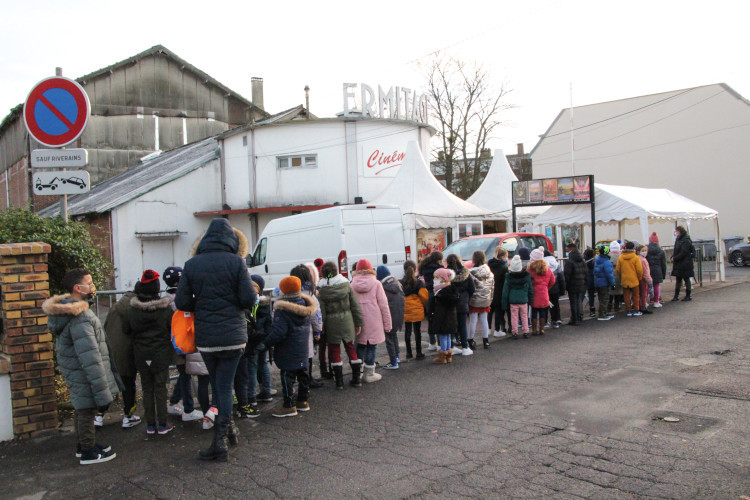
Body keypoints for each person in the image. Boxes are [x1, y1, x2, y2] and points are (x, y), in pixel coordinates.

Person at [175, 218, 256, 462]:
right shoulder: (237, 263)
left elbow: (182, 303)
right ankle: (224, 435)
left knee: (218, 386)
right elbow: (249, 299)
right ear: (231, 240)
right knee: (225, 385)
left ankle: (223, 437)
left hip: (207, 337)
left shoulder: (192, 265)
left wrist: (202, 302)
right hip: (233, 336)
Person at [43, 268, 121, 465]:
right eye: (90, 282)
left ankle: (84, 445)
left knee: (82, 408)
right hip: (83, 371)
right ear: (78, 288)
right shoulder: (80, 317)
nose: (93, 286)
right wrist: (102, 389)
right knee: (87, 409)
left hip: (75, 369)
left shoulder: (72, 311)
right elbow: (90, 355)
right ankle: (88, 451)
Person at [125, 270, 175, 435]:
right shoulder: (165, 310)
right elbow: (172, 328)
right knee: (160, 388)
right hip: (160, 354)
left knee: (147, 389)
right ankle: (162, 423)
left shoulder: (132, 310)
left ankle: (150, 424)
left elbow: (127, 329)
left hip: (140, 353)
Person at [263, 276, 317, 417]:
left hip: (287, 350)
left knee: (288, 376)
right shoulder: (305, 305)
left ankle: (289, 405)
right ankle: (303, 402)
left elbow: (279, 332)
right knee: (303, 374)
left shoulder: (282, 309)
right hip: (302, 348)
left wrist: (265, 343)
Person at [164, 266, 203, 422]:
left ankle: (174, 401)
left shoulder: (167, 299)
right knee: (186, 374)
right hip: (183, 342)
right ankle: (188, 409)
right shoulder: (181, 301)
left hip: (175, 342)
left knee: (184, 373)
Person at [317, 261, 364, 389]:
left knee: (334, 350)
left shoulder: (321, 291)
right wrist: (358, 322)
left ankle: (339, 382)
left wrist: (323, 328)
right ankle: (356, 378)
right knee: (350, 347)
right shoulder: (346, 286)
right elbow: (355, 306)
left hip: (332, 323)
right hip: (347, 320)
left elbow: (322, 312)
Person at [102, 287, 141, 429]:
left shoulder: (113, 309)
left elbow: (105, 328)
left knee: (107, 385)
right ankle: (128, 416)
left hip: (111, 351)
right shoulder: (135, 311)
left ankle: (99, 415)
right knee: (128, 384)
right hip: (128, 352)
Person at [350, 259, 392, 383]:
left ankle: (358, 372)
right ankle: (369, 374)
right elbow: (384, 305)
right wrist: (388, 324)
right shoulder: (377, 284)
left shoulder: (352, 285)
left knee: (359, 346)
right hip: (374, 320)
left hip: (358, 321)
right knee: (371, 347)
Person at [289, 265, 323, 388]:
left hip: (290, 332)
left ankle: (291, 383)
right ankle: (307, 380)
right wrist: (318, 331)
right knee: (307, 355)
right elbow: (316, 315)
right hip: (306, 332)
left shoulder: (287, 293)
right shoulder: (310, 295)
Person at [248, 274, 275, 408]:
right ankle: (266, 392)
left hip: (252, 340)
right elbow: (269, 324)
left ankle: (251, 396)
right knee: (262, 364)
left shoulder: (249, 303)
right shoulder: (265, 304)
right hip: (263, 339)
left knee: (251, 367)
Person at [446, 254, 475, 356]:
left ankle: (452, 346)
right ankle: (465, 347)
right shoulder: (466, 273)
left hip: (450, 303)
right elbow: (472, 289)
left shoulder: (446, 274)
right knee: (462, 326)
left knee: (451, 326)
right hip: (462, 303)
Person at [429, 268, 459, 364]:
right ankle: (448, 355)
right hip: (450, 318)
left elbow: (438, 307)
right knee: (448, 335)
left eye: (437, 277)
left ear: (443, 278)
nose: (435, 279)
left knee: (443, 335)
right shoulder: (451, 290)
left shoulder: (441, 292)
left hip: (443, 318)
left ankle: (443, 356)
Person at [377, 266, 405, 369]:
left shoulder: (384, 288)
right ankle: (397, 357)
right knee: (394, 336)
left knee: (389, 339)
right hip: (398, 315)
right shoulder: (397, 284)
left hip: (389, 317)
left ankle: (393, 362)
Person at [401, 260, 428, 360]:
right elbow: (425, 297)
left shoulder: (401, 283)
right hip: (417, 310)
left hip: (406, 310)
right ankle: (419, 353)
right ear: (415, 269)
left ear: (404, 270)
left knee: (407, 332)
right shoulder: (419, 283)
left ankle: (408, 353)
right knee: (417, 332)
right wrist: (422, 305)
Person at [501, 256, 533, 339]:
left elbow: (505, 291)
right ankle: (526, 331)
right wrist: (531, 298)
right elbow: (530, 288)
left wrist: (504, 303)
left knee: (514, 317)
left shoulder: (508, 277)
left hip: (513, 300)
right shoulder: (526, 276)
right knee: (524, 316)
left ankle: (514, 332)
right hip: (524, 299)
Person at [417, 251, 444, 351]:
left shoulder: (425, 267)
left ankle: (432, 342)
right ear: (438, 259)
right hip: (437, 293)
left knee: (431, 319)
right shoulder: (439, 268)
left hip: (428, 293)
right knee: (439, 318)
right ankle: (440, 343)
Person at [468, 250, 494, 349]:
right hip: (485, 299)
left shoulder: (470, 272)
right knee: (484, 320)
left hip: (474, 300)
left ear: (474, 259)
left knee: (473, 320)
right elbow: (492, 287)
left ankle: (470, 340)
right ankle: (485, 340)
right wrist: (490, 299)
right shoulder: (489, 272)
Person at [528, 247, 555, 336]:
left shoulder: (530, 270)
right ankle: (542, 329)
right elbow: (552, 281)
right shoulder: (547, 269)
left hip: (534, 293)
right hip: (544, 292)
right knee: (543, 311)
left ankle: (534, 330)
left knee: (534, 312)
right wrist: (547, 288)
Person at [616, 241, 643, 317]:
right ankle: (636, 310)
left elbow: (618, 269)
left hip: (625, 279)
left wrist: (622, 276)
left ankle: (628, 310)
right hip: (634, 279)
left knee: (626, 296)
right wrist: (639, 277)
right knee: (635, 295)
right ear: (633, 248)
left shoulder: (621, 257)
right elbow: (639, 270)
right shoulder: (635, 257)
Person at [487, 247, 509, 337]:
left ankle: (487, 329)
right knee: (498, 311)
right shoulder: (503, 267)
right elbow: (505, 281)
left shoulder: (489, 265)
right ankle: (497, 329)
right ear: (503, 256)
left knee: (489, 311)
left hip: (490, 290)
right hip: (499, 290)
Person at [563, 243, 587, 325]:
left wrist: (565, 285)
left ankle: (574, 318)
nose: (566, 250)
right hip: (581, 283)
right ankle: (579, 316)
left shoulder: (570, 261)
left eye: (567, 249)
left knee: (573, 301)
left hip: (572, 284)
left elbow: (567, 274)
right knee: (578, 300)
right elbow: (585, 271)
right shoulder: (582, 260)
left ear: (571, 249)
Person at [671, 225, 695, 301]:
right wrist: (673, 256)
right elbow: (676, 250)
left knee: (686, 278)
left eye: (676, 231)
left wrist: (675, 258)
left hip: (685, 263)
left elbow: (684, 252)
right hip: (679, 263)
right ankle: (676, 296)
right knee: (678, 279)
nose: (676, 233)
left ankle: (688, 295)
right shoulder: (679, 239)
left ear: (679, 231)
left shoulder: (685, 240)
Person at [593, 245, 615, 321]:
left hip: (598, 283)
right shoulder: (607, 262)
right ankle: (602, 314)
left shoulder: (598, 259)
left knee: (601, 298)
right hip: (605, 283)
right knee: (605, 299)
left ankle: (604, 312)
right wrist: (613, 284)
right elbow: (609, 274)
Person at [544, 250, 565, 328]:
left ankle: (545, 321)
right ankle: (556, 319)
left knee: (545, 305)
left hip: (545, 288)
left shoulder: (542, 265)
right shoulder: (556, 264)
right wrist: (563, 289)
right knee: (555, 304)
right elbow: (561, 278)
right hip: (555, 288)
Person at [646, 232, 667, 307]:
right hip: (658, 269)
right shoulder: (661, 251)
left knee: (647, 286)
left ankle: (645, 302)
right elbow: (663, 264)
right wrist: (663, 274)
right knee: (656, 285)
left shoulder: (647, 250)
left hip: (648, 270)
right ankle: (656, 301)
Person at [636, 244, 654, 315]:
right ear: (638, 251)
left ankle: (638, 306)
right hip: (643, 279)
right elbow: (645, 272)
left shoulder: (636, 258)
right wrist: (649, 281)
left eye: (646, 250)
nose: (645, 252)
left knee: (638, 293)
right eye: (643, 251)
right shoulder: (643, 260)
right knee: (644, 293)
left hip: (637, 278)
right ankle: (643, 306)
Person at [608, 241, 624, 313]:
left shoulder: (608, 257)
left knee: (610, 292)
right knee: (617, 292)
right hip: (618, 276)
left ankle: (609, 305)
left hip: (610, 276)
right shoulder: (621, 257)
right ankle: (617, 306)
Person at [583, 248, 597, 318]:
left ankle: (592, 309)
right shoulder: (595, 261)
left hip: (587, 280)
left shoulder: (585, 262)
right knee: (599, 294)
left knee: (590, 295)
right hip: (595, 279)